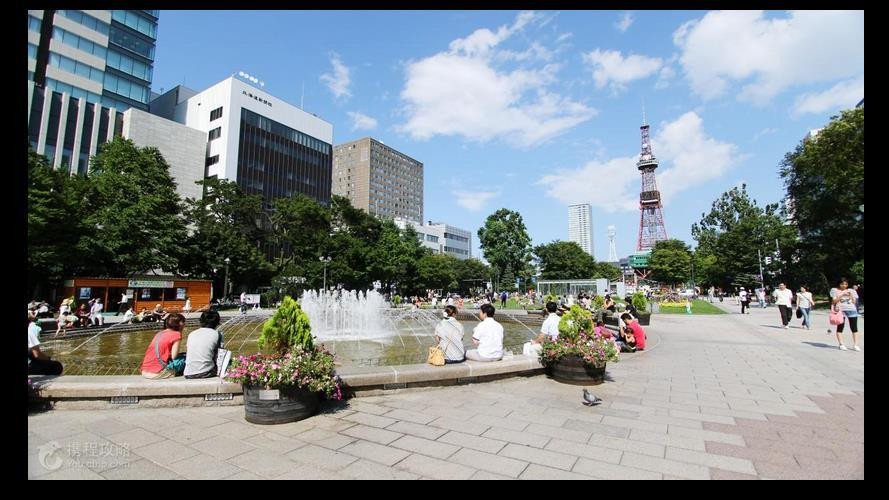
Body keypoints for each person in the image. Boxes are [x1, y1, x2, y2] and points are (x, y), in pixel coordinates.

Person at [140, 313, 187, 379]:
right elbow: (174, 356)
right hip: (157, 373)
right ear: (179, 324)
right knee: (185, 358)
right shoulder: (176, 334)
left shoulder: (159, 333)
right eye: (184, 322)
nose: (185, 324)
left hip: (144, 371)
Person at [185, 310, 225, 378]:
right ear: (217, 322)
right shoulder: (218, 334)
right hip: (206, 372)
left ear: (201, 321)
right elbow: (220, 355)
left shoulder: (192, 334)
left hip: (188, 373)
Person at [831, 278, 860, 351]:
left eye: (846, 284)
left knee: (854, 328)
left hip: (852, 310)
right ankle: (841, 344)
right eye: (842, 284)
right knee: (840, 327)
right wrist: (842, 294)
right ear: (839, 284)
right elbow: (834, 301)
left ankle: (856, 345)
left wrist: (851, 296)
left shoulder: (851, 290)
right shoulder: (835, 290)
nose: (844, 285)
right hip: (841, 311)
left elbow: (854, 302)